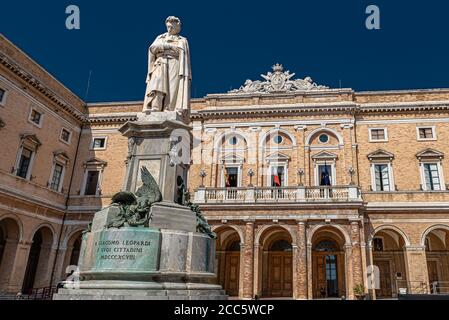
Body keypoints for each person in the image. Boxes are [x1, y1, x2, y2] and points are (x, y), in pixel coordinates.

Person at [143, 16, 191, 114]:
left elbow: (182, 53)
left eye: (173, 26)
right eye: (169, 26)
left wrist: (166, 48)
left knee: (173, 86)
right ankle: (156, 106)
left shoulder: (182, 40)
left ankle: (169, 109)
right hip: (160, 62)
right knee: (157, 84)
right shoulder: (160, 37)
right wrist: (168, 46)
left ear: (177, 27)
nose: (170, 29)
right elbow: (153, 48)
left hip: (175, 63)